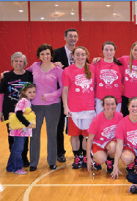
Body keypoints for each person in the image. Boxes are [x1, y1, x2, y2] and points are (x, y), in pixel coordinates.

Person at [27, 43, 63, 171]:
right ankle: (33, 162)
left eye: (47, 53)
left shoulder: (58, 70)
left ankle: (52, 161)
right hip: (36, 106)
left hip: (53, 105)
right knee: (35, 134)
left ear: (51, 54)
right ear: (39, 56)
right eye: (42, 54)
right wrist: (6, 73)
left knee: (52, 134)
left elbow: (63, 89)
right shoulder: (34, 67)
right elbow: (21, 74)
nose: (45, 56)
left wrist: (51, 96)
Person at [93, 41, 137, 116]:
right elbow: (109, 59)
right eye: (135, 50)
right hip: (126, 97)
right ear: (131, 50)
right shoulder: (124, 60)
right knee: (125, 119)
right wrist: (99, 59)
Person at [62, 46, 95, 169]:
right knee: (74, 135)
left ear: (86, 55)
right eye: (78, 54)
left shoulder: (92, 68)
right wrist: (66, 107)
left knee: (87, 135)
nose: (80, 57)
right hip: (74, 109)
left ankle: (86, 156)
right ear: (73, 56)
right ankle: (77, 157)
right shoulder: (68, 70)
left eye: (83, 54)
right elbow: (65, 90)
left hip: (89, 108)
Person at [0, 52, 33, 167]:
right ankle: (14, 158)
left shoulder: (29, 75)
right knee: (12, 135)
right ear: (12, 62)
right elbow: (1, 94)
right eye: (16, 61)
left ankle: (24, 158)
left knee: (25, 135)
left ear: (25, 63)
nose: (18, 63)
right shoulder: (7, 76)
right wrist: (0, 111)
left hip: (25, 111)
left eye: (21, 61)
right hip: (10, 111)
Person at [53, 28, 79, 163]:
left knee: (79, 124)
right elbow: (42, 66)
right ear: (65, 37)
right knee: (59, 125)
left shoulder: (81, 54)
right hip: (60, 95)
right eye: (70, 36)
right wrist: (52, 64)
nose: (72, 38)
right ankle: (60, 152)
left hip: (77, 97)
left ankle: (80, 153)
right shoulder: (56, 53)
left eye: (75, 36)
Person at [111, 97, 137, 179]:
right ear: (128, 107)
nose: (135, 108)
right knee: (126, 158)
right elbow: (119, 145)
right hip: (129, 148)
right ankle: (131, 162)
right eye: (132, 106)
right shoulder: (122, 123)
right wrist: (115, 166)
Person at [86, 95, 123, 173]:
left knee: (114, 147)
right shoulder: (97, 119)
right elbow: (89, 139)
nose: (110, 106)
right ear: (103, 105)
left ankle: (110, 161)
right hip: (99, 143)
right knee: (101, 159)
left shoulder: (120, 116)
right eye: (107, 104)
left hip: (111, 142)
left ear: (116, 105)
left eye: (112, 104)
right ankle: (95, 157)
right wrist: (88, 157)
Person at [6, 83, 36, 175]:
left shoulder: (26, 101)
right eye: (29, 92)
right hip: (20, 130)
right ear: (24, 92)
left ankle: (10, 167)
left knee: (15, 148)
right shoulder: (23, 101)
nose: (32, 94)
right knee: (18, 149)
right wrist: (27, 124)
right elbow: (18, 113)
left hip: (22, 130)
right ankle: (17, 168)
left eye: (34, 92)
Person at [91, 41, 123, 115]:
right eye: (106, 50)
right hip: (100, 99)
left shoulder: (120, 65)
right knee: (100, 122)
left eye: (111, 50)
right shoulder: (96, 64)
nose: (109, 52)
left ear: (115, 51)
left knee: (114, 123)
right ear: (102, 51)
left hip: (116, 99)